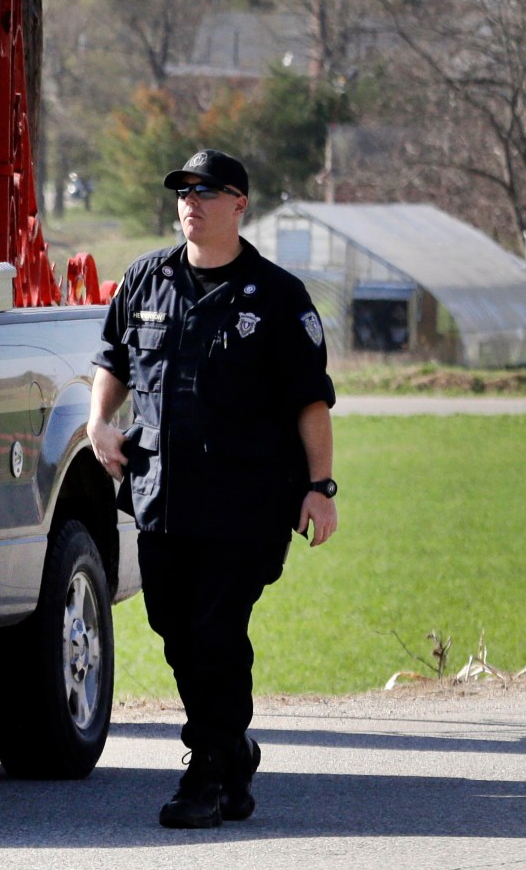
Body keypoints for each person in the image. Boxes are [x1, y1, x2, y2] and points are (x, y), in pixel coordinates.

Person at [88, 149, 338, 829]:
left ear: (239, 205)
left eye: (206, 191)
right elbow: (112, 359)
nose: (190, 202)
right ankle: (234, 751)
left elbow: (309, 402)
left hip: (247, 501)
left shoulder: (277, 296)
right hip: (162, 496)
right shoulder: (146, 279)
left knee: (216, 629)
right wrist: (97, 422)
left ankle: (204, 771)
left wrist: (321, 486)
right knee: (174, 628)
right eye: (183, 192)